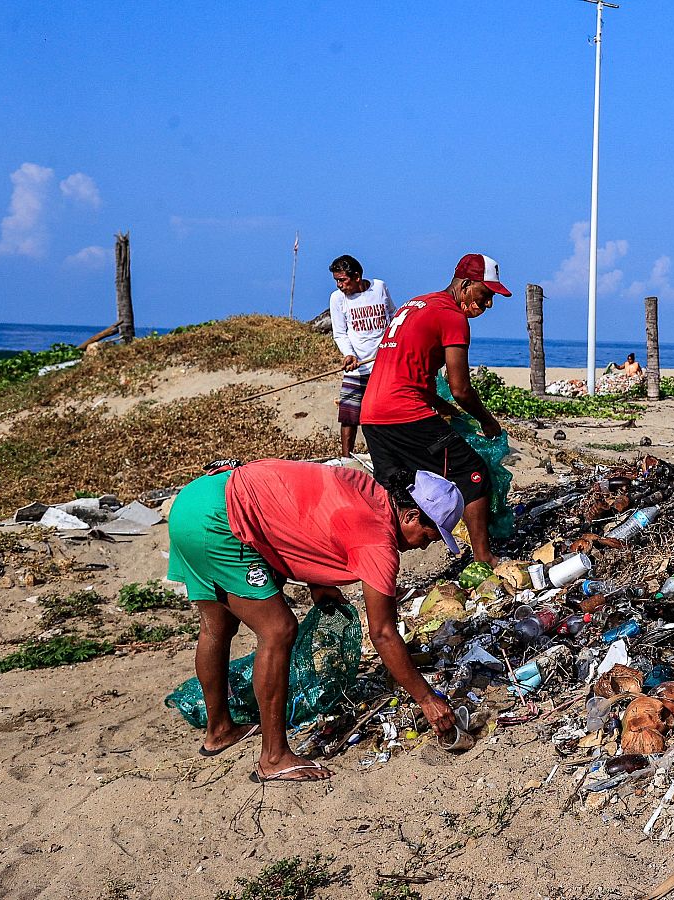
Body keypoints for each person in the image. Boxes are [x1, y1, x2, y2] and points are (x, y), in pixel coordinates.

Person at [167, 459, 463, 782]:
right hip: (221, 521)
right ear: (409, 515)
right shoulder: (378, 542)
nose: (423, 546)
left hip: (195, 501)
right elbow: (383, 634)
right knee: (278, 630)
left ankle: (220, 730)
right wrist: (427, 699)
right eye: (428, 536)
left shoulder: (361, 485)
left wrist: (319, 583)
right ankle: (274, 757)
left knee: (216, 626)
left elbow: (307, 511)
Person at [360, 253, 509, 566]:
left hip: (372, 414)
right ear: (466, 285)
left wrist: (445, 410)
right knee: (473, 472)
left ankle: (379, 568)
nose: (488, 305)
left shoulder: (417, 304)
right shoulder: (452, 316)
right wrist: (488, 422)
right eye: (486, 295)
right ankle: (484, 558)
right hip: (404, 411)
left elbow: (418, 374)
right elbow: (461, 389)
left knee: (395, 493)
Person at [328, 255, 396, 459]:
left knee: (383, 417)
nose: (340, 285)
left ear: (357, 276)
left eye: (342, 280)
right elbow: (340, 333)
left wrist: (393, 345)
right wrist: (349, 354)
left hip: (383, 367)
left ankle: (386, 458)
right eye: (337, 281)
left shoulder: (379, 287)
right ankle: (346, 459)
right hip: (357, 369)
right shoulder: (337, 299)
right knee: (349, 417)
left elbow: (392, 315)